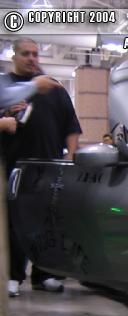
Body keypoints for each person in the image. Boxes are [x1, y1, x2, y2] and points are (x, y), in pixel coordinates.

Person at [2, 38, 82, 297]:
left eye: (35, 54)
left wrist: (70, 157)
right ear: (14, 57)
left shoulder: (54, 88)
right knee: (14, 224)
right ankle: (13, 276)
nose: (31, 58)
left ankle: (45, 274)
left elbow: (71, 126)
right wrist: (6, 114)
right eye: (25, 54)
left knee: (48, 223)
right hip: (14, 167)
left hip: (49, 167)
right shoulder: (6, 87)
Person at [0, 71, 61, 316]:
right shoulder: (20, 84)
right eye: (25, 52)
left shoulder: (57, 98)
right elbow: (3, 94)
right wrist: (35, 86)